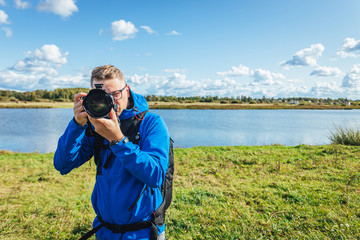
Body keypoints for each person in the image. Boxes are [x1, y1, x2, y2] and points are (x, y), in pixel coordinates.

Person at [54, 65, 170, 240]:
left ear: (127, 90)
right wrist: (77, 124)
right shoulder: (95, 125)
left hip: (143, 233)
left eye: (115, 94)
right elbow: (63, 165)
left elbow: (156, 176)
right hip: (104, 231)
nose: (111, 101)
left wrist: (118, 140)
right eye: (102, 96)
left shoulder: (151, 123)